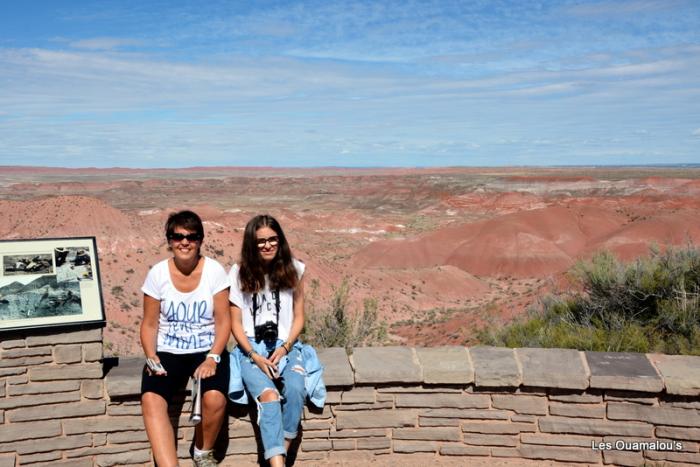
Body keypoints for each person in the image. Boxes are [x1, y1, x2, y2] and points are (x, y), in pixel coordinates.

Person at [140, 210, 231, 467]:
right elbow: (148, 324)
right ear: (169, 240)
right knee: (151, 399)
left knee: (214, 398)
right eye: (177, 236)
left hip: (206, 349)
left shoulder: (214, 271)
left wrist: (213, 357)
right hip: (168, 351)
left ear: (200, 240)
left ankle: (202, 451)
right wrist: (151, 355)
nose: (184, 242)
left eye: (191, 236)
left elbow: (224, 321)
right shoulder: (157, 274)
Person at [228, 214, 309, 467]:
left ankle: (277, 457)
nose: (267, 245)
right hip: (250, 348)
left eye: (273, 239)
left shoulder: (294, 269)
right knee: (269, 396)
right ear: (251, 244)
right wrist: (253, 355)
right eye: (260, 241)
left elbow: (299, 317)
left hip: (286, 344)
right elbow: (235, 323)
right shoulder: (238, 273)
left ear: (280, 240)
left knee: (295, 390)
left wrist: (285, 348)